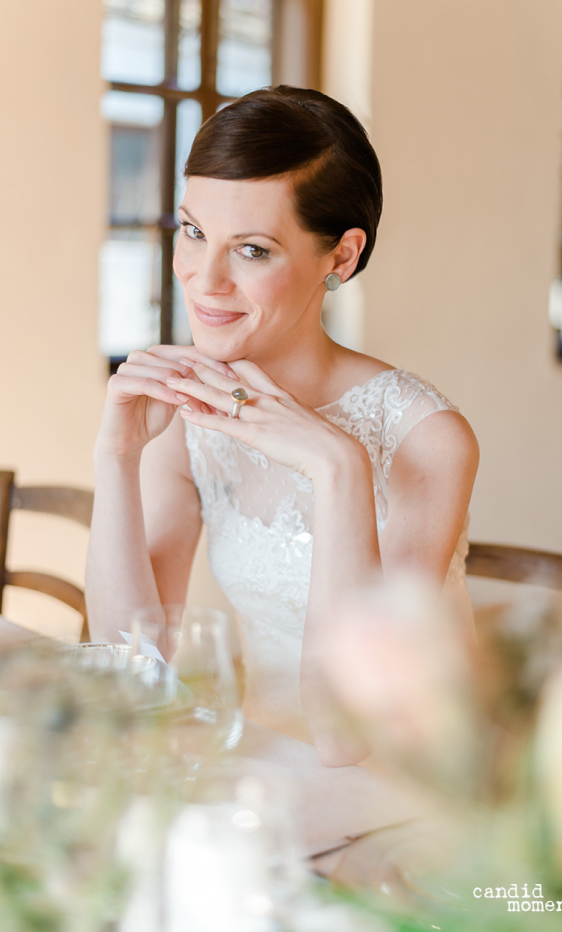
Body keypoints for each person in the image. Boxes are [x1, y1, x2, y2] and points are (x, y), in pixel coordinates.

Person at [86, 85, 479, 768]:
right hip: (264, 767)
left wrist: (339, 468)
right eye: (194, 232)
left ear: (341, 257)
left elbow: (348, 734)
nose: (204, 280)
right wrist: (116, 456)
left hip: (416, 795)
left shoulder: (428, 440)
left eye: (253, 250)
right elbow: (131, 660)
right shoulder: (190, 414)